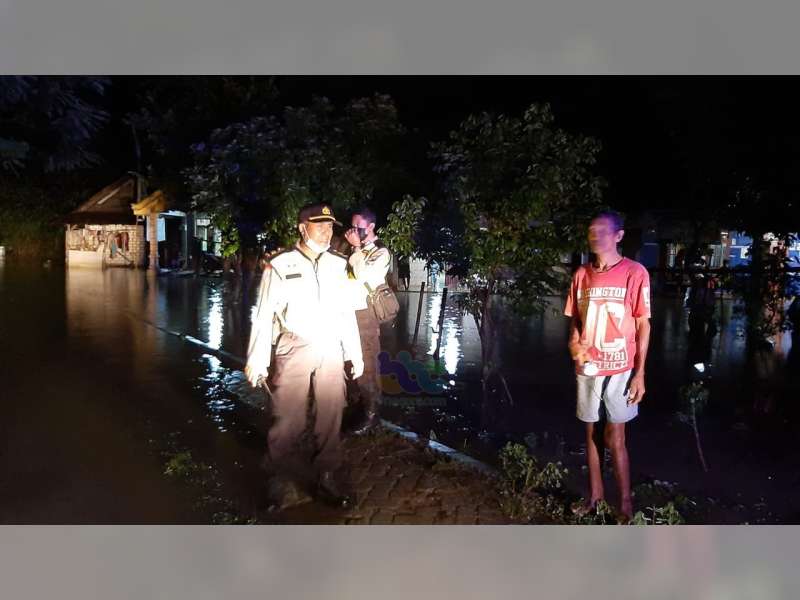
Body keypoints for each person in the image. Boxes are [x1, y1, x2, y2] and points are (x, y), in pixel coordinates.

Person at [245, 202, 363, 509]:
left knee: (331, 413)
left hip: (331, 346)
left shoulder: (338, 264)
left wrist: (355, 353)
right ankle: (280, 478)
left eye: (330, 226)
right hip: (295, 344)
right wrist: (258, 360)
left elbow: (346, 312)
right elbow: (264, 313)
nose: (326, 232)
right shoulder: (281, 264)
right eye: (319, 225)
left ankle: (327, 475)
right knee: (288, 414)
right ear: (302, 228)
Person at [564, 210, 651, 522]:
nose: (596, 236)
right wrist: (574, 343)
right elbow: (576, 320)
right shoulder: (581, 275)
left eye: (603, 230)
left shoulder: (635, 273)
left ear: (619, 236)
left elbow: (643, 324)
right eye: (592, 230)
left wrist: (640, 373)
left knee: (616, 436)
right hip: (588, 367)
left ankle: (625, 504)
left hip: (621, 367)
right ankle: (595, 497)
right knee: (591, 432)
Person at [343, 206, 392, 434]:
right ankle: (357, 408)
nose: (354, 230)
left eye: (358, 226)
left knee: (368, 363)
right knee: (350, 361)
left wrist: (356, 247)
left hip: (365, 314)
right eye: (352, 226)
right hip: (347, 312)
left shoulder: (381, 252)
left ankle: (372, 415)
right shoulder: (354, 249)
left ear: (371, 226)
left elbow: (363, 275)